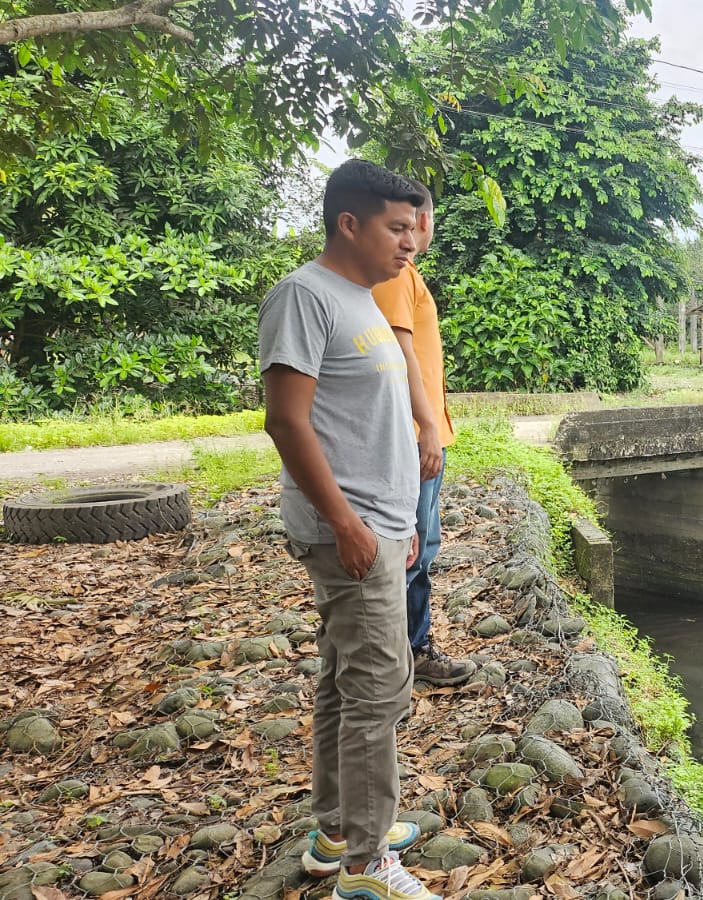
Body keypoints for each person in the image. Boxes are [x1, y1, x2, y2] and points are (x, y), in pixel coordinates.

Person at [258, 159, 440, 900]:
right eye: (396, 228)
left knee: (343, 682)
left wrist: (400, 523)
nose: (410, 243)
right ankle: (366, 869)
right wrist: (347, 523)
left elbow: (370, 423)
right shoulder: (304, 296)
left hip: (379, 526)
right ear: (349, 224)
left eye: (412, 229)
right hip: (349, 532)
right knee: (376, 693)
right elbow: (286, 420)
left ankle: (337, 832)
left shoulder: (361, 298)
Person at [370, 178, 475, 687]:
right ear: (426, 220)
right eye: (401, 228)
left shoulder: (406, 275)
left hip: (422, 434)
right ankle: (404, 656)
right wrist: (426, 427)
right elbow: (399, 350)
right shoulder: (396, 277)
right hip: (414, 436)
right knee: (410, 551)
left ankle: (409, 650)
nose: (409, 240)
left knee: (422, 545)